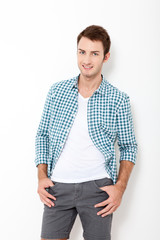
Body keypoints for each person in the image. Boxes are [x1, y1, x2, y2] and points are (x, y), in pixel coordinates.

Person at [35, 25, 138, 240]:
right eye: (82, 52)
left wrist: (119, 188)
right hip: (58, 188)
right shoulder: (57, 91)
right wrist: (41, 175)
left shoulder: (118, 99)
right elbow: (43, 134)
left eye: (94, 53)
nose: (87, 60)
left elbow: (129, 146)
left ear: (106, 57)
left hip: (98, 189)